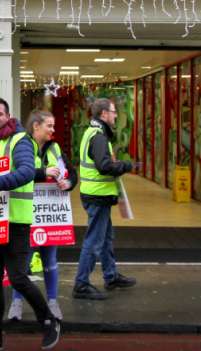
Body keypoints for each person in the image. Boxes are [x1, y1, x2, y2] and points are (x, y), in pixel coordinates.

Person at [0, 97, 60, 351]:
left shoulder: (20, 140)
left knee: (18, 278)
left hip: (15, 221)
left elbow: (28, 171)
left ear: (8, 115)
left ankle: (48, 321)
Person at [8, 110, 78, 322]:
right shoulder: (22, 144)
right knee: (22, 263)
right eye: (49, 126)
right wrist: (44, 172)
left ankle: (53, 302)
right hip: (25, 215)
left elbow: (73, 173)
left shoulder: (55, 148)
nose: (53, 130)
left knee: (49, 260)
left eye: (54, 126)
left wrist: (69, 183)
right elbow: (18, 171)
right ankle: (16, 303)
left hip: (49, 216)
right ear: (36, 126)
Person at [72, 98, 141, 301]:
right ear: (104, 114)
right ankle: (81, 284)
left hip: (94, 194)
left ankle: (110, 277)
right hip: (98, 195)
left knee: (105, 239)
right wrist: (126, 166)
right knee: (94, 241)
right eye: (113, 112)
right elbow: (103, 167)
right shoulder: (100, 136)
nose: (116, 115)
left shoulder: (90, 132)